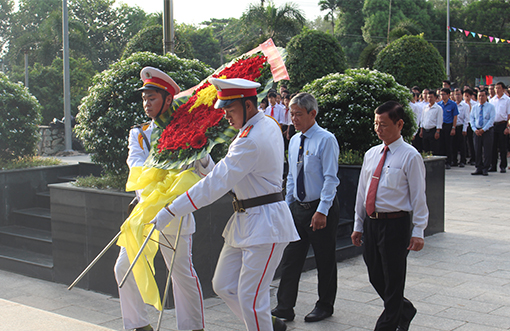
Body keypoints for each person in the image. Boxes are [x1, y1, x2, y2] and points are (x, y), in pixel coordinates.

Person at [150, 78, 300, 331]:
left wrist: (170, 210)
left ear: (249, 106)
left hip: (265, 223)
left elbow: (216, 185)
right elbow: (230, 173)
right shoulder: (261, 125)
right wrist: (206, 163)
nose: (226, 117)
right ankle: (265, 325)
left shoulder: (251, 138)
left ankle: (262, 324)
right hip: (247, 218)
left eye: (230, 111)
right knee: (224, 285)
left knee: (251, 299)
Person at [115, 67, 214, 331]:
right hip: (146, 212)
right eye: (144, 99)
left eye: (152, 98)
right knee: (123, 268)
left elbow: (209, 172)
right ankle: (138, 326)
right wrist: (151, 198)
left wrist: (200, 149)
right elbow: (136, 168)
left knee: (181, 274)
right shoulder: (140, 133)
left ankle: (192, 327)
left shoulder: (189, 131)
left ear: (168, 99)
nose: (147, 104)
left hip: (175, 214)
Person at [351, 101, 428, 331]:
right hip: (371, 223)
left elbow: (419, 197)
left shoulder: (410, 156)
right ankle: (404, 310)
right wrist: (358, 224)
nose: (378, 129)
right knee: (376, 275)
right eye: (376, 124)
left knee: (394, 279)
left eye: (383, 124)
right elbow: (361, 193)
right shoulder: (371, 154)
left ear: (399, 124)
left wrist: (418, 231)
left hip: (396, 224)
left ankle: (387, 325)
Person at [272, 92, 340, 323]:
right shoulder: (294, 140)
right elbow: (292, 176)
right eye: (291, 114)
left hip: (321, 207)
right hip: (298, 207)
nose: (293, 119)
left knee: (324, 259)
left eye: (298, 114)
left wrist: (322, 210)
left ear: (313, 113)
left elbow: (331, 179)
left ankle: (325, 305)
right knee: (291, 258)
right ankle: (284, 307)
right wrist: (288, 205)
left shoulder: (326, 139)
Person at [470, 89, 496, 176]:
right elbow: (472, 119)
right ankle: (478, 167)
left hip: (487, 131)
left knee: (487, 150)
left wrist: (483, 129)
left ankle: (486, 168)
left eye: (483, 96)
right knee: (477, 149)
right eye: (479, 96)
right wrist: (475, 129)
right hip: (477, 131)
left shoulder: (490, 107)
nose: (481, 97)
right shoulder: (474, 107)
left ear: (486, 96)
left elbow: (491, 119)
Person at [489, 82, 510, 173]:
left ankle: (503, 166)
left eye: (499, 88)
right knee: (493, 147)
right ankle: (493, 165)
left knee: (502, 147)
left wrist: (507, 127)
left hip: (503, 124)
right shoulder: (492, 100)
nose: (497, 90)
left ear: (503, 89)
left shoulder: (507, 100)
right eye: (496, 88)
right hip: (493, 125)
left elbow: (509, 115)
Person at [438, 88, 459, 169]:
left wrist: (453, 127)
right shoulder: (439, 104)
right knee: (441, 144)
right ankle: (442, 161)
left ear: (448, 95)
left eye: (444, 94)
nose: (442, 96)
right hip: (441, 125)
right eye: (441, 94)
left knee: (448, 144)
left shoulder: (453, 104)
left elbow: (455, 116)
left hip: (449, 125)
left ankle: (449, 161)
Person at [419, 90, 442, 155]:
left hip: (433, 130)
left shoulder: (438, 108)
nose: (430, 99)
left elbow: (439, 120)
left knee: (434, 148)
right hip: (425, 130)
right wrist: (421, 130)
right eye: (428, 97)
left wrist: (438, 131)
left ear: (435, 98)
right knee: (425, 148)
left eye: (431, 97)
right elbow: (422, 119)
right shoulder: (425, 107)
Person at [452, 88, 469, 167]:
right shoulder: (453, 104)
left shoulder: (465, 106)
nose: (457, 96)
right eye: (456, 94)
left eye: (459, 94)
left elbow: (466, 118)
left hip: (461, 126)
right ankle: (454, 160)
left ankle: (462, 160)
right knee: (453, 144)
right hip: (453, 126)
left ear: (462, 95)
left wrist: (465, 129)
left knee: (462, 145)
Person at [463, 89, 476, 165]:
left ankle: (473, 158)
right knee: (464, 143)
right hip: (465, 125)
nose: (466, 98)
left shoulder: (475, 104)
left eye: (468, 96)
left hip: (472, 124)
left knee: (472, 142)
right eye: (465, 96)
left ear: (471, 96)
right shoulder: (462, 104)